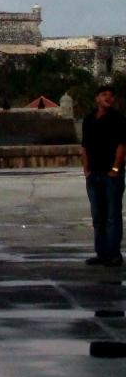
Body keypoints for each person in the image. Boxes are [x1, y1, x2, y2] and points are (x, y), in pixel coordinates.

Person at [81, 85, 126, 267]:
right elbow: (84, 146)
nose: (108, 98)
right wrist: (86, 170)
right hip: (94, 174)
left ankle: (114, 254)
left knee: (112, 216)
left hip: (111, 175)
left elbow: (122, 146)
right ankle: (101, 253)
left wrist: (115, 169)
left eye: (111, 95)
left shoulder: (118, 119)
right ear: (97, 98)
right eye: (104, 95)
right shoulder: (89, 120)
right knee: (98, 216)